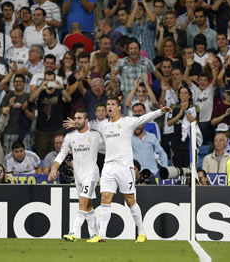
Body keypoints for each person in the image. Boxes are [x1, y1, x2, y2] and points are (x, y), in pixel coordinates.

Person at [78, 97, 171, 243]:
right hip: (108, 166)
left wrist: (160, 111)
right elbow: (87, 126)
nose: (109, 107)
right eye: (108, 104)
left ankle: (142, 232)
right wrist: (76, 124)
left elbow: (145, 118)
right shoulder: (103, 125)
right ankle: (101, 235)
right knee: (105, 198)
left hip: (124, 167)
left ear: (119, 107)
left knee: (130, 200)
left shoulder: (127, 122)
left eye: (112, 104)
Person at [49, 109, 100, 242]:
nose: (76, 120)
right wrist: (54, 166)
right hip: (78, 176)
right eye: (75, 118)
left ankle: (73, 233)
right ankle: (96, 234)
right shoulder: (70, 136)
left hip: (91, 174)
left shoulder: (95, 135)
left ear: (86, 120)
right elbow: (62, 153)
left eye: (79, 118)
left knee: (82, 202)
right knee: (88, 205)